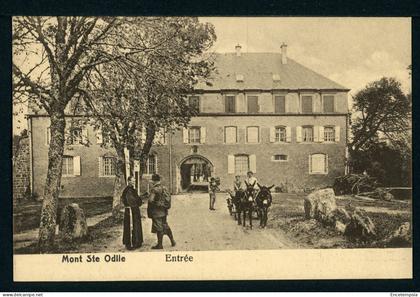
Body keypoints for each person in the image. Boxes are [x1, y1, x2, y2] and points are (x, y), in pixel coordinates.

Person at [147, 174, 176, 249]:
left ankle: (160, 245)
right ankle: (172, 241)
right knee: (165, 225)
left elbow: (150, 200)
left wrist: (150, 198)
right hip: (164, 210)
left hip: (156, 212)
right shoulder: (164, 188)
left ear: (154, 181)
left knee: (159, 227)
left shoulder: (154, 189)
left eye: (152, 180)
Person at [121, 176, 143, 250]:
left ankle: (137, 241)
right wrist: (138, 202)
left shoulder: (132, 189)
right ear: (129, 181)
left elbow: (137, 199)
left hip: (134, 210)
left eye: (134, 181)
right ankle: (131, 243)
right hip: (131, 210)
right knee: (131, 226)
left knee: (136, 225)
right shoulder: (127, 190)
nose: (134, 182)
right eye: (132, 181)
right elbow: (132, 201)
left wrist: (139, 201)